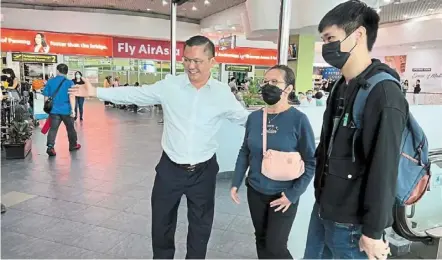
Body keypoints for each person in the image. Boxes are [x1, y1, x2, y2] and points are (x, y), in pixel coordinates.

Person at [69, 35, 249, 259]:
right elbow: (136, 94)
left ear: (213, 61)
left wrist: (275, 120)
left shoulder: (222, 93)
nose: (191, 66)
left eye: (198, 61)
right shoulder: (170, 86)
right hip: (170, 168)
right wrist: (97, 92)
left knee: (200, 227)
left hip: (204, 171)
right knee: (161, 225)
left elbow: (244, 119)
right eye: (186, 60)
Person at [304, 1, 408, 259]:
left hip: (353, 226)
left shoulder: (384, 93)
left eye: (331, 38)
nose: (326, 46)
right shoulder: (341, 86)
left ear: (358, 35)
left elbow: (384, 167)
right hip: (324, 211)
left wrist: (373, 232)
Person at [231, 65, 315, 259]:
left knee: (276, 246)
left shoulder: (299, 120)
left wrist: (292, 195)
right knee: (260, 240)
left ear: (289, 88)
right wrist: (235, 182)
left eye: (275, 82)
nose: (268, 86)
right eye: (266, 81)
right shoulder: (254, 118)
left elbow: (311, 162)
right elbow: (245, 150)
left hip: (283, 195)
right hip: (256, 190)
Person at [43, 64, 81, 156]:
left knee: (53, 129)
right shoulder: (69, 83)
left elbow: (46, 97)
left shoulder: (50, 81)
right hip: (66, 110)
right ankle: (73, 145)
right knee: (70, 128)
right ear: (67, 72)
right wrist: (73, 110)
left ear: (58, 71)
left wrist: (48, 108)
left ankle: (50, 147)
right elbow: (72, 97)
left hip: (54, 110)